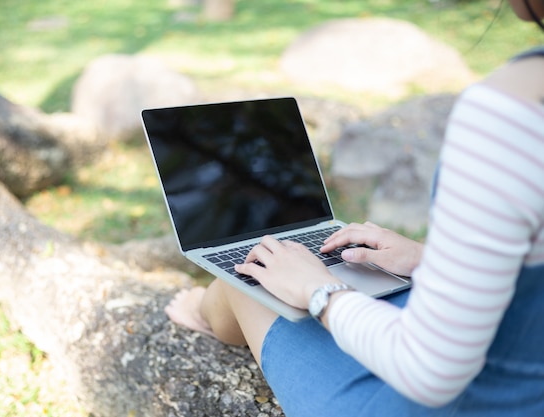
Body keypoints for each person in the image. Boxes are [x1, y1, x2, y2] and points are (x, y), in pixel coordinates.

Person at [165, 1, 544, 415]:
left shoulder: (513, 107)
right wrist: (431, 259)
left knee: (250, 273)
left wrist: (320, 290)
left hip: (482, 399)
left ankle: (202, 312)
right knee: (279, 263)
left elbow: (431, 372)